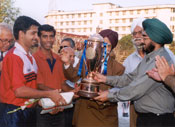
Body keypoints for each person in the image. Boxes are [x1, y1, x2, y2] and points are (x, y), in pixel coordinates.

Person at [94, 18, 175, 127]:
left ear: (154, 39)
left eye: (144, 37)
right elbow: (130, 78)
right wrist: (105, 79)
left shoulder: (160, 60)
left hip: (157, 120)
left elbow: (137, 89)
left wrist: (110, 95)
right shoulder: (149, 58)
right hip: (146, 118)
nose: (142, 40)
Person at [0, 16, 66, 127]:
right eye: (33, 33)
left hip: (28, 111)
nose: (36, 37)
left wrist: (45, 104)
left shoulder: (29, 56)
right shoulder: (14, 56)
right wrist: (49, 94)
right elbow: (19, 91)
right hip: (13, 114)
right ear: (21, 34)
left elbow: (31, 88)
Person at [65, 30, 125, 127]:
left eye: (108, 46)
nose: (104, 48)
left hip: (104, 118)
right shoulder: (85, 60)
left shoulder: (118, 68)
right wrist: (67, 63)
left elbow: (120, 91)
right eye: (102, 44)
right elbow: (72, 76)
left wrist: (107, 96)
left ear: (113, 47)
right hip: (83, 115)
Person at [33, 24, 73, 127]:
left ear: (54, 38)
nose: (48, 39)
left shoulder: (58, 58)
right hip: (43, 108)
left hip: (60, 108)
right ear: (39, 38)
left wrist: (74, 91)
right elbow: (39, 85)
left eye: (51, 36)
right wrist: (58, 97)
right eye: (45, 36)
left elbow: (63, 83)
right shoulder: (33, 59)